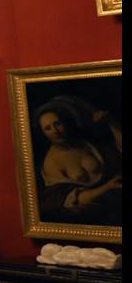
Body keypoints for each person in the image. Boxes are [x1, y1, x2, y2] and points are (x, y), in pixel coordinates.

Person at [34, 96, 122, 227]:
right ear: (44, 133)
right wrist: (108, 187)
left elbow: (119, 151)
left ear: (65, 123)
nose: (55, 131)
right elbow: (71, 199)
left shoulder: (87, 143)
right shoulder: (51, 163)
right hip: (93, 214)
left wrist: (112, 122)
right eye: (48, 128)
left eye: (57, 124)